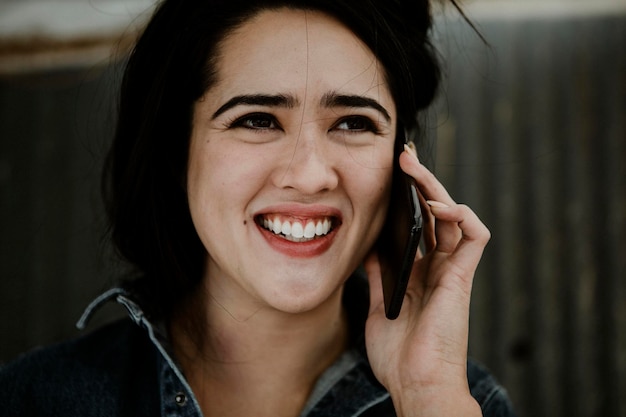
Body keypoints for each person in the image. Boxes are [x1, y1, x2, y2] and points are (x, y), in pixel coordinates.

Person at [0, 0, 516, 416]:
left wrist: (426, 397)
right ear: (177, 151)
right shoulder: (35, 398)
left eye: (355, 123)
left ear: (402, 163)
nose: (311, 174)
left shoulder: (463, 403)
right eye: (258, 120)